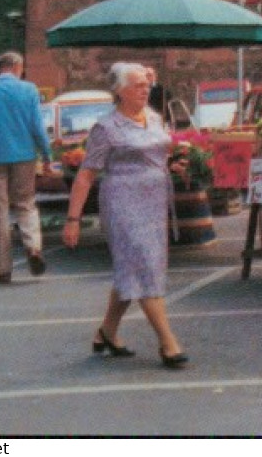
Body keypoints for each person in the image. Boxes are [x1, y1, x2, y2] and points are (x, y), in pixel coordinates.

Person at [62, 62, 189, 369]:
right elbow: (86, 175)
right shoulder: (106, 128)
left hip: (155, 204)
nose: (144, 89)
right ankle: (168, 342)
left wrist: (173, 166)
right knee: (144, 264)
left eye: (146, 84)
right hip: (123, 204)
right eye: (137, 85)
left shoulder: (155, 118)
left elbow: (158, 153)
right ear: (119, 91)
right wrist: (73, 220)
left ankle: (107, 331)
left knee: (132, 267)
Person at [0, 51, 53, 284]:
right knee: (25, 203)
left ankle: (0, 269)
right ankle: (33, 247)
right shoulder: (29, 90)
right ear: (16, 66)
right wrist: (46, 155)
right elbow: (37, 126)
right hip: (23, 155)